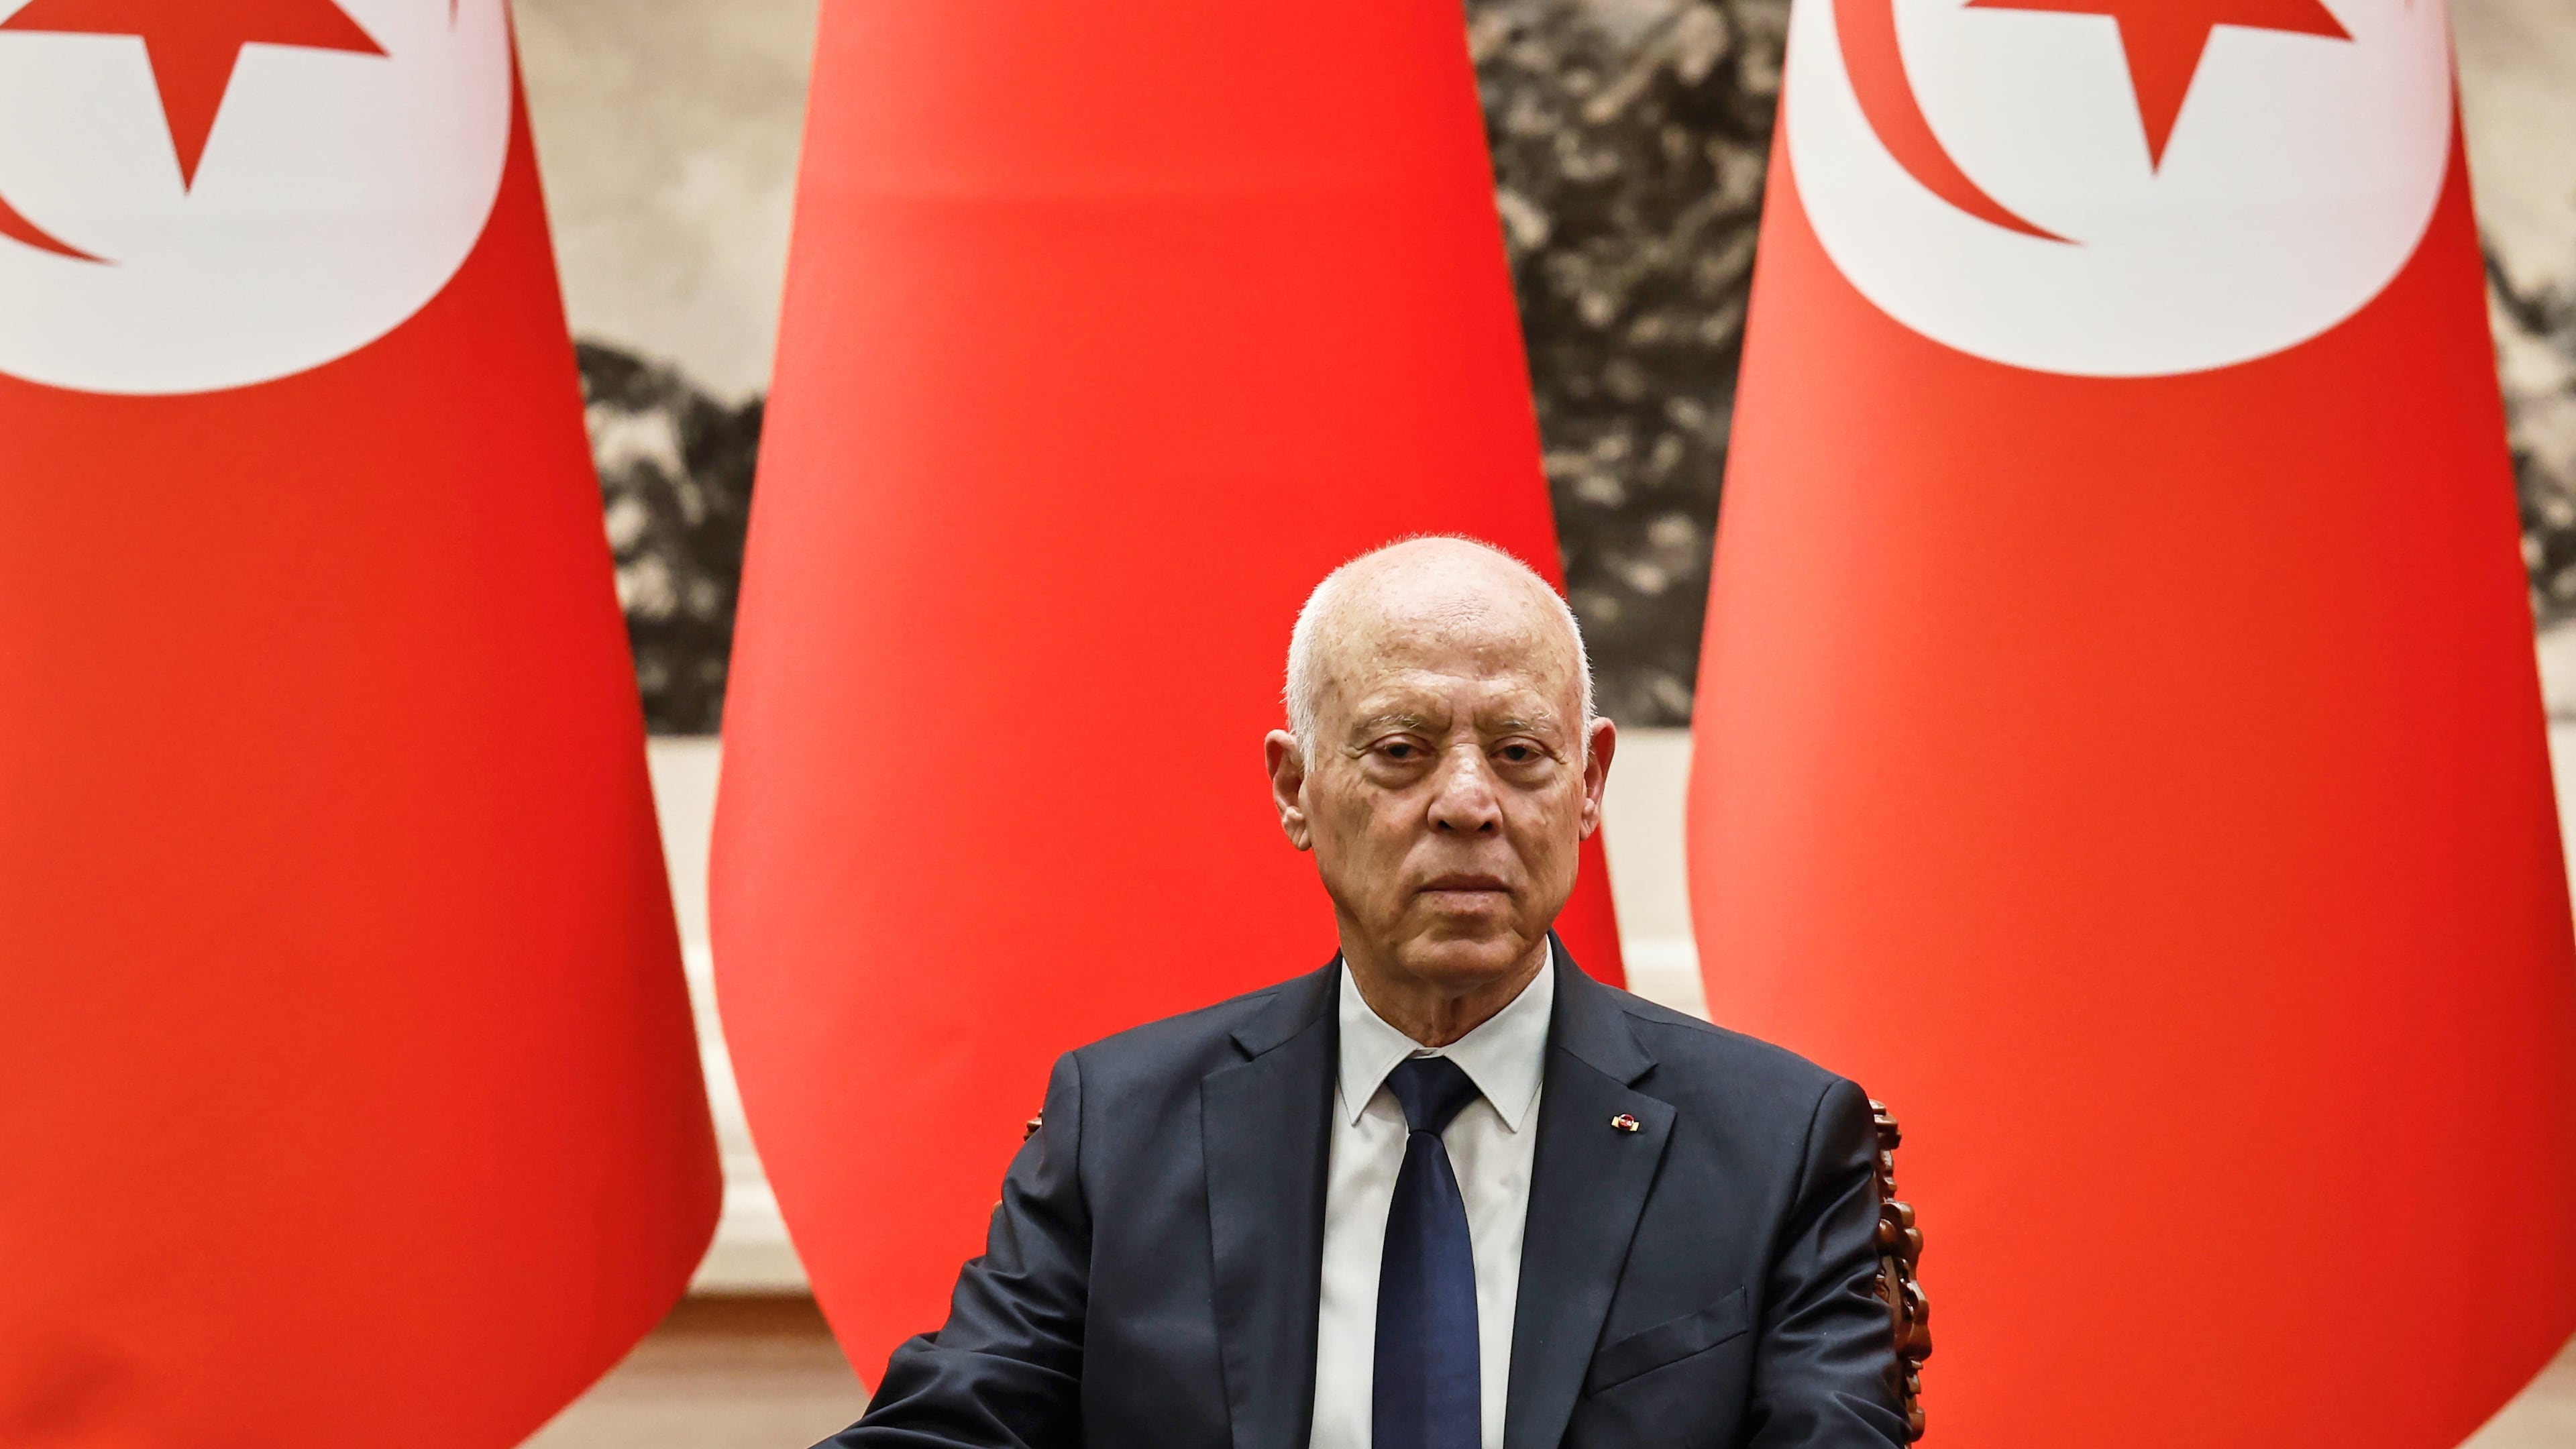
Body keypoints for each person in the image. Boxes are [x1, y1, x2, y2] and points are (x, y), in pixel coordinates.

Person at [817, 537, 1907, 1448]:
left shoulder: (1777, 1142)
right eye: (1402, 749)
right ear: (1296, 788)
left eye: (1522, 751)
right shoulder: (1125, 1128)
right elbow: (955, 1427)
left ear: (1590, 785)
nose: (1469, 802)